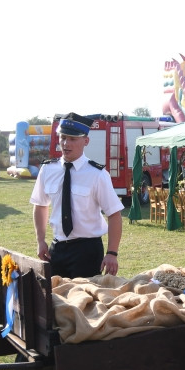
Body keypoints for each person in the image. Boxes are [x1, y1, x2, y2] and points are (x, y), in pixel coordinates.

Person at [31, 112, 124, 279]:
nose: (66, 143)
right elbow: (40, 205)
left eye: (73, 139)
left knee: (84, 301)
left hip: (87, 250)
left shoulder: (97, 174)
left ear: (86, 141)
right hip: (57, 249)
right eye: (63, 137)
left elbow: (114, 214)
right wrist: (40, 240)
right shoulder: (47, 170)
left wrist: (112, 253)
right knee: (56, 300)